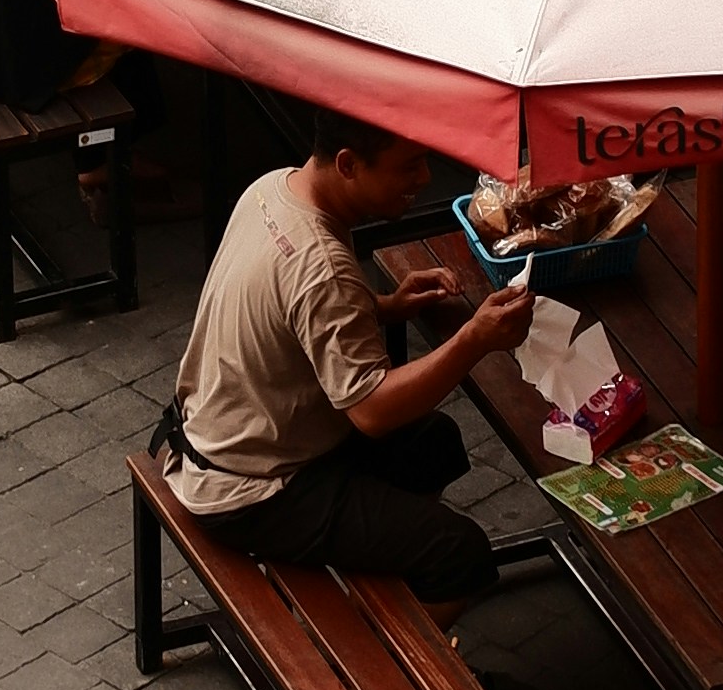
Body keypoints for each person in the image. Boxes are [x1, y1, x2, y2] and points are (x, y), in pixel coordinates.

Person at [159, 113, 529, 607]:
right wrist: (473, 340)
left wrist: (380, 304)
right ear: (349, 164)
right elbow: (372, 413)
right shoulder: (324, 266)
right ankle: (397, 675)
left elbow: (293, 303)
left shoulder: (273, 189)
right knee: (460, 552)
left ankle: (390, 582)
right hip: (249, 489)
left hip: (214, 432)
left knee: (435, 442)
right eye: (411, 165)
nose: (424, 179)